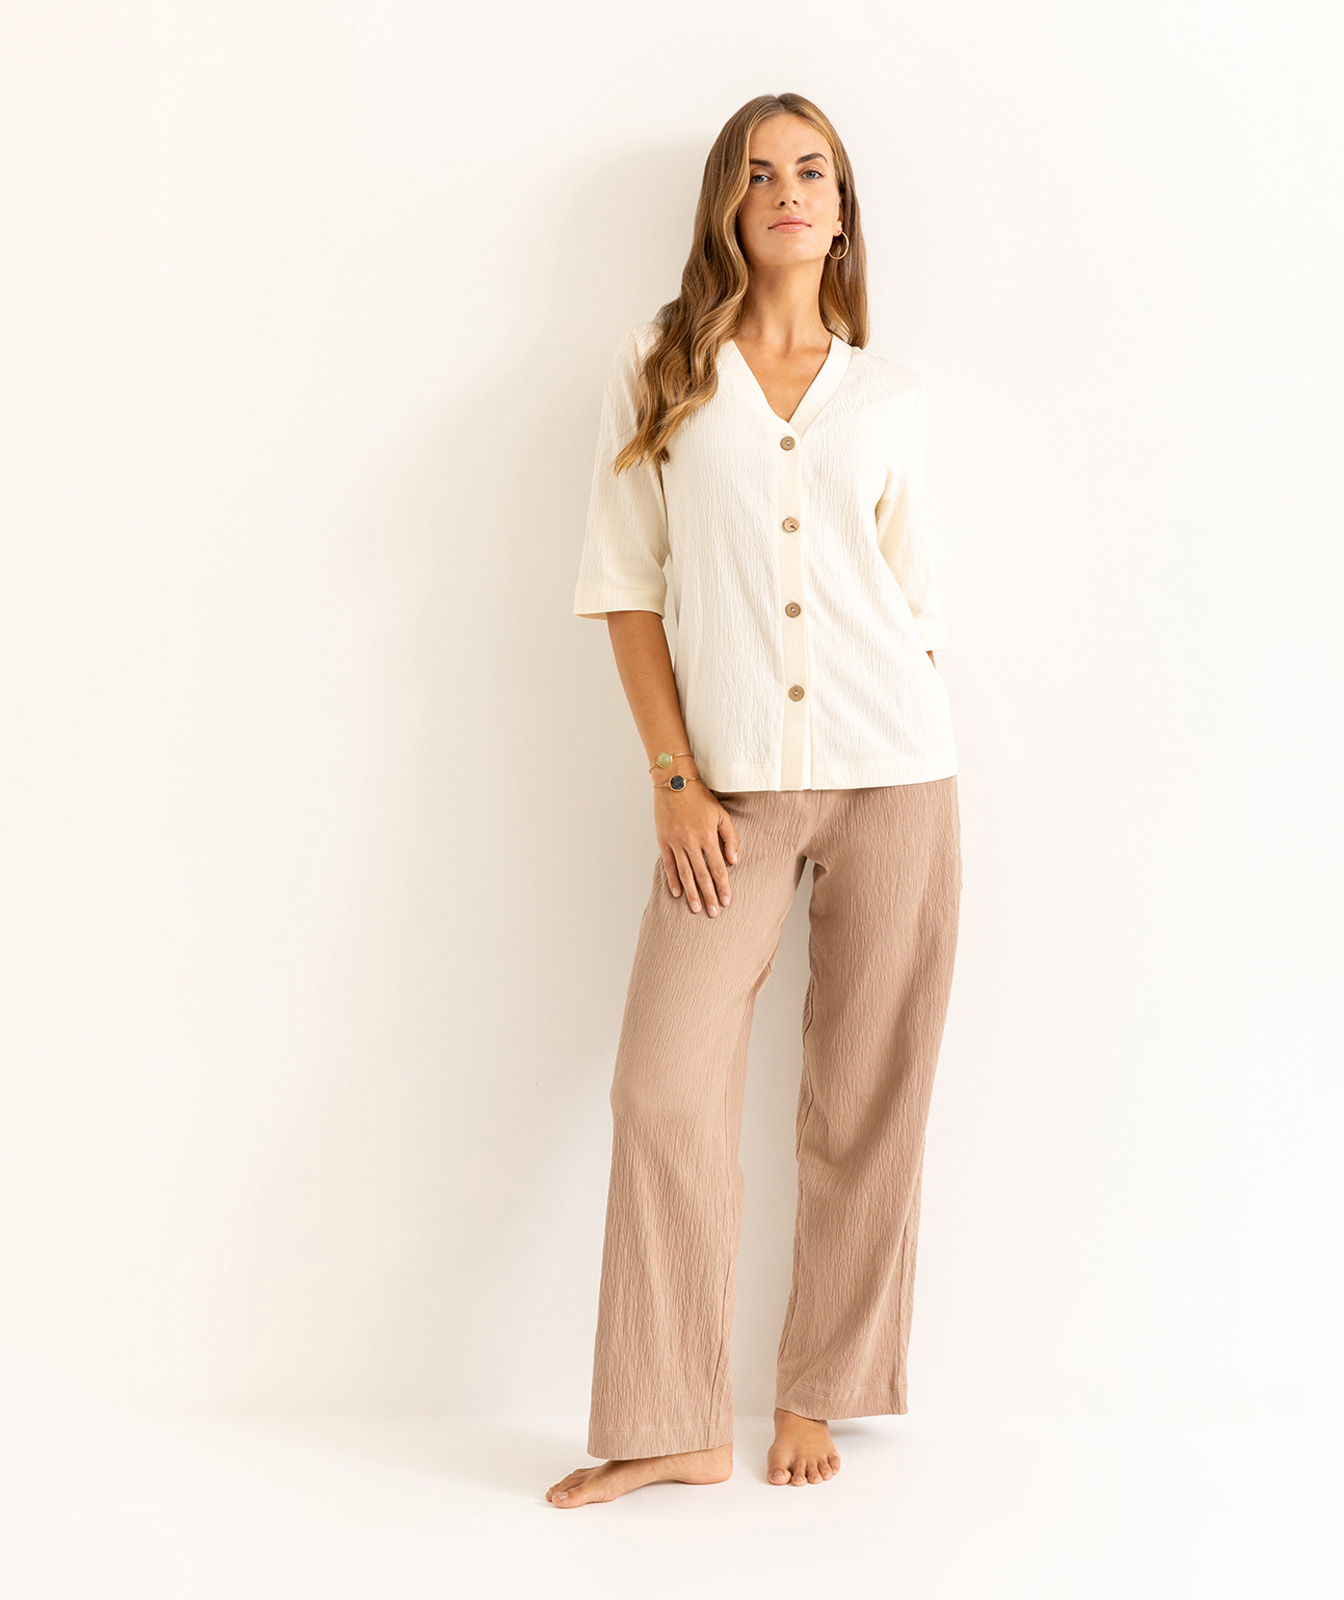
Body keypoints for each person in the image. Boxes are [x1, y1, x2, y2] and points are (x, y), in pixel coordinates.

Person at [547, 92, 962, 1508]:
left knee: (867, 1096)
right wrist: (674, 781)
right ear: (729, 203)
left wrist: (908, 699)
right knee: (662, 1088)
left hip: (895, 773)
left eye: (814, 172)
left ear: (842, 212)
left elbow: (912, 597)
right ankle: (669, 1420)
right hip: (728, 795)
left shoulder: (889, 396)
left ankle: (816, 1390)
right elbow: (625, 584)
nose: (789, 190)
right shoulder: (662, 366)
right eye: (762, 171)